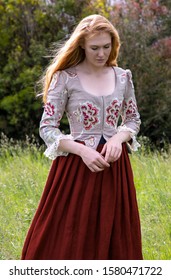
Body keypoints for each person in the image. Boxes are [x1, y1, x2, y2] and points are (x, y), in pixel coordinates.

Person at [21, 14, 143, 260]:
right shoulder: (65, 78)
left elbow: (132, 119)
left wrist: (119, 139)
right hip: (75, 170)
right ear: (82, 46)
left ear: (114, 44)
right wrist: (82, 150)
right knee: (67, 235)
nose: (101, 54)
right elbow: (47, 128)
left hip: (114, 169)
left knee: (116, 236)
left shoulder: (122, 77)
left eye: (107, 47)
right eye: (94, 48)